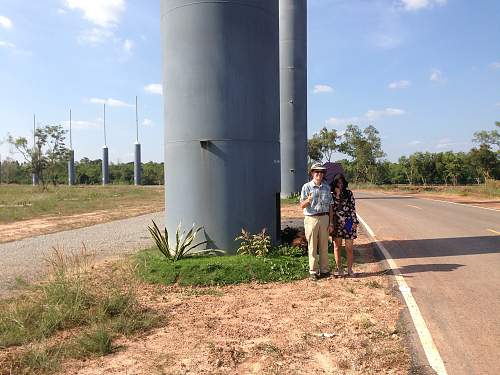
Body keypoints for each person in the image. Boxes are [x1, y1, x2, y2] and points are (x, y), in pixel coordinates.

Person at [300, 163, 333, 280]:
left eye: (321, 172)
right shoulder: (306, 187)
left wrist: (331, 223)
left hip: (324, 218)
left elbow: (330, 206)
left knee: (324, 246)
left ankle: (324, 270)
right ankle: (313, 272)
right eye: (316, 172)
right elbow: (301, 205)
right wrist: (308, 200)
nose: (319, 174)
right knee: (312, 246)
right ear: (312, 173)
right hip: (311, 218)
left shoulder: (327, 187)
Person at [329, 173, 359, 277]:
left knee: (349, 248)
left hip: (348, 222)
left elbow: (352, 208)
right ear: (334, 183)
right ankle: (340, 269)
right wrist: (330, 223)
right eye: (338, 182)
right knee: (337, 247)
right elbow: (330, 210)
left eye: (341, 182)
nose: (340, 184)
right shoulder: (331, 195)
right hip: (337, 223)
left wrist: (355, 221)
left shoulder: (349, 193)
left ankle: (350, 269)